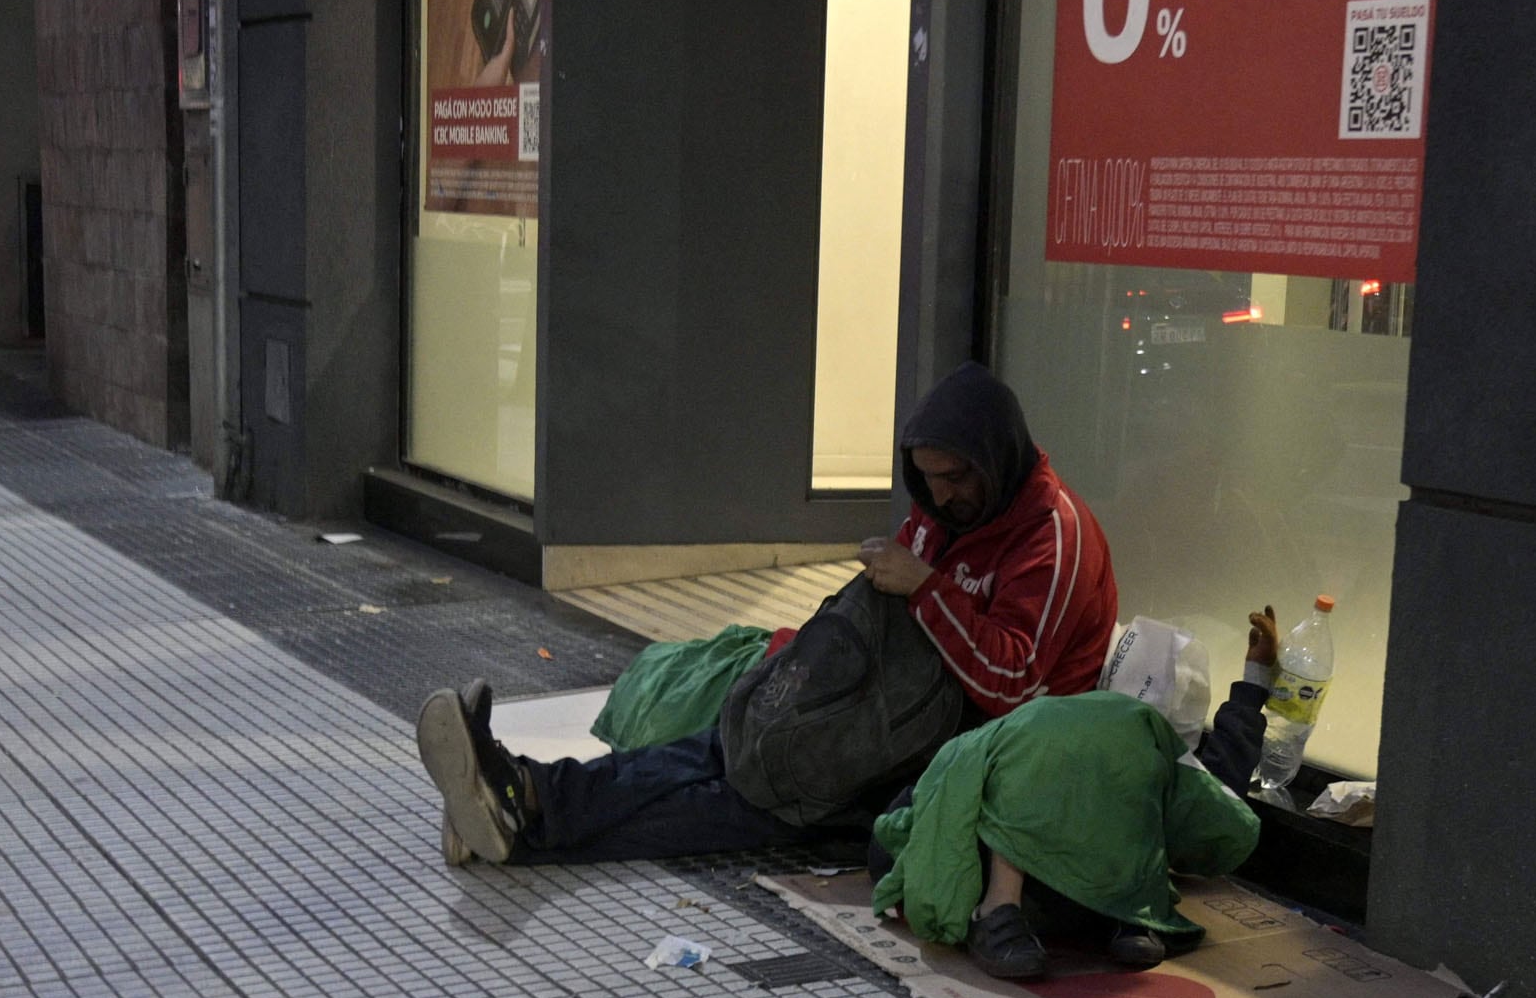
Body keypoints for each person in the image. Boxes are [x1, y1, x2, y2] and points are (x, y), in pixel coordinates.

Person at [415, 361, 1119, 867]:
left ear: (996, 458)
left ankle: (518, 825)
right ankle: (528, 788)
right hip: (890, 712)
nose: (941, 496)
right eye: (927, 480)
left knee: (744, 801)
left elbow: (1013, 684)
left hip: (959, 751)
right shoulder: (951, 509)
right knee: (728, 741)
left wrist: (926, 586)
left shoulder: (1052, 534)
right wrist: (798, 661)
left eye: (956, 478)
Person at [868, 607, 1278, 979]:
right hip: (1086, 898)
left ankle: (1000, 909)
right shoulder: (1155, 753)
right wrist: (1253, 683)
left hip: (997, 874)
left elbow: (942, 791)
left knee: (1031, 758)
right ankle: (1124, 913)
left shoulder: (1044, 721)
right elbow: (1221, 802)